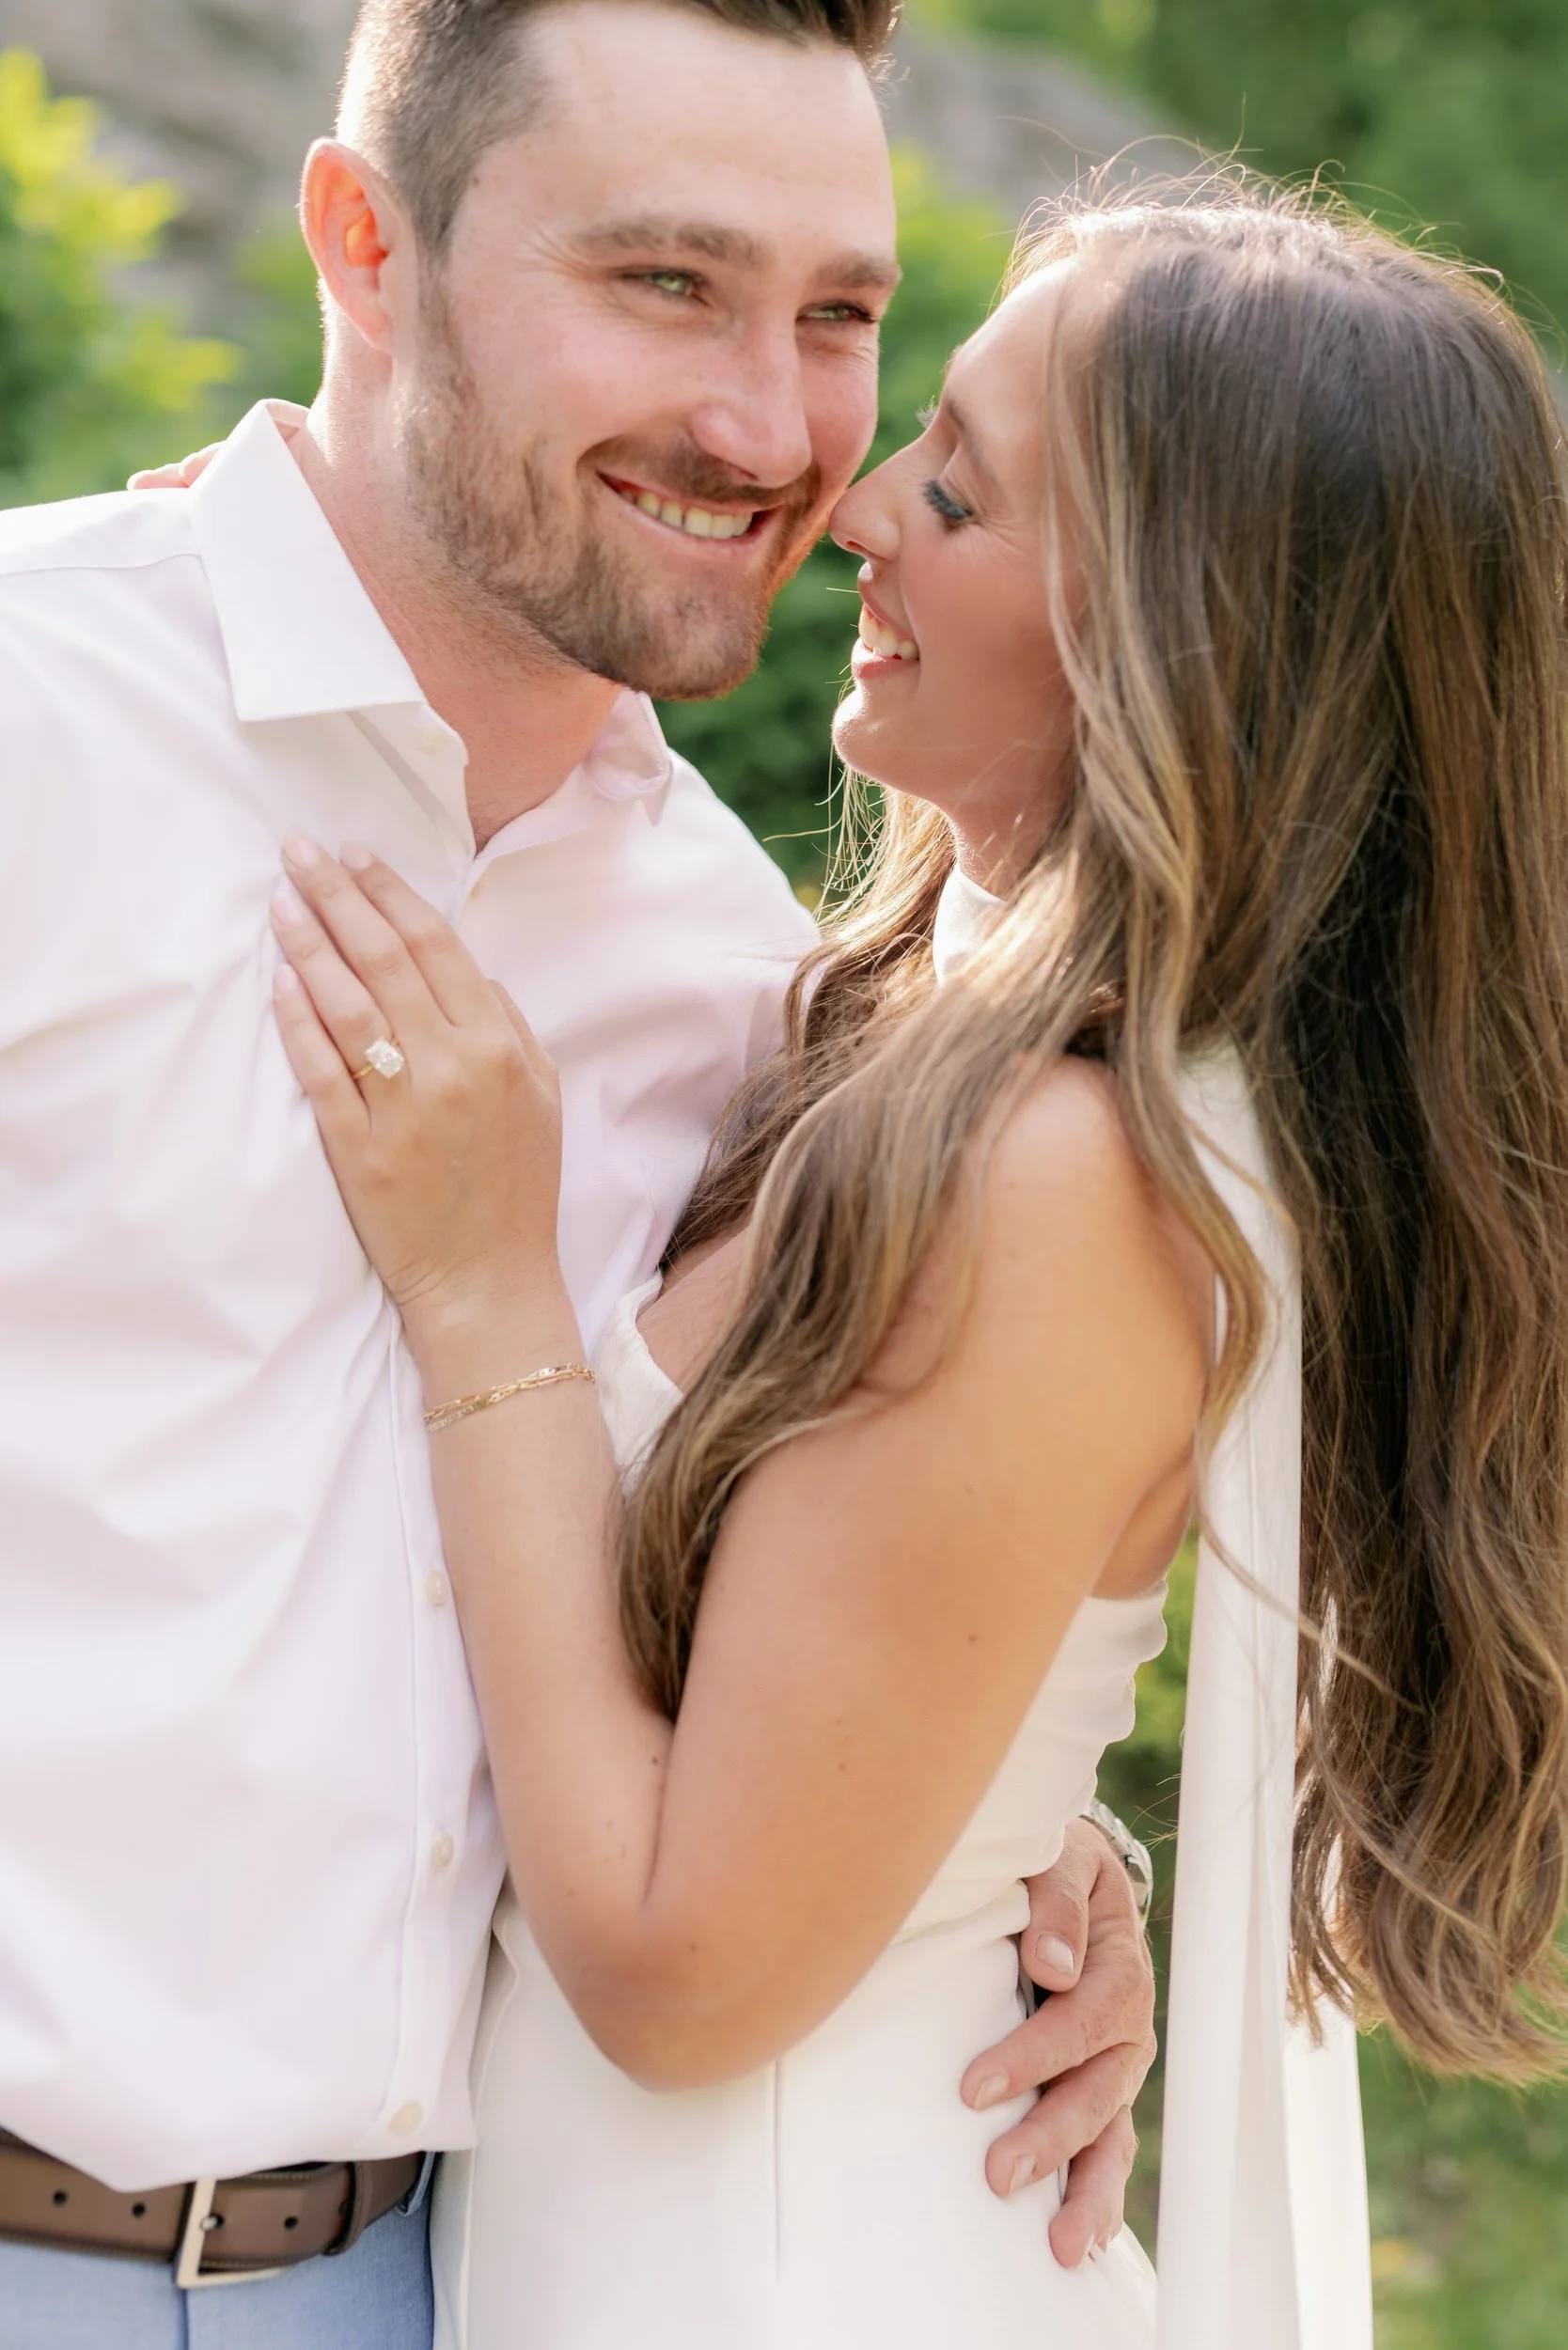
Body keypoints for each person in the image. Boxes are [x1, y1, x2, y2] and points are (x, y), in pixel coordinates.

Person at [264, 175, 1568, 2350]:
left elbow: (686, 1967)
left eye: (954, 490)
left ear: (1174, 633)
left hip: (781, 2267)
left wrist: (487, 1297)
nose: (856, 506)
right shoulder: (902, 1039)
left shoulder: (1063, 1179)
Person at [0, 4, 1156, 2343]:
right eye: (662, 284)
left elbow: (746, 1601)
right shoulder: (33, 727)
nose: (771, 428)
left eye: (836, 314)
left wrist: (1020, 1857)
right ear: (365, 247)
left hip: (441, 2277)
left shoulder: (763, 989)